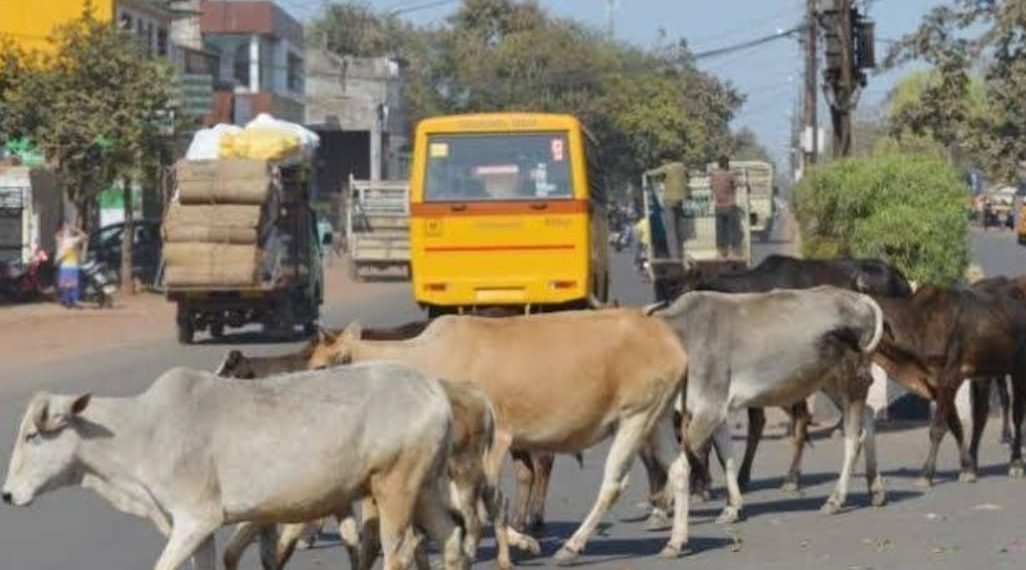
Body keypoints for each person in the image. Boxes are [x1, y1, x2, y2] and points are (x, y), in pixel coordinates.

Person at [645, 154, 688, 260]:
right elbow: (687, 175)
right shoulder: (682, 167)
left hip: (669, 200)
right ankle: (681, 252)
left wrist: (646, 172)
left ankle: (674, 256)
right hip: (680, 200)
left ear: (666, 160)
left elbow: (651, 173)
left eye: (662, 161)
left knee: (670, 230)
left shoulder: (667, 167)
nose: (662, 163)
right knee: (678, 228)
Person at [710, 155, 740, 259]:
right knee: (731, 230)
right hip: (730, 205)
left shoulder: (714, 175)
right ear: (727, 164)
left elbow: (711, 186)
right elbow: (736, 184)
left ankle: (720, 253)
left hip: (718, 206)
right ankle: (731, 252)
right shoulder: (730, 175)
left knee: (720, 231)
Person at [55, 221, 86, 308]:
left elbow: (84, 236)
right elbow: (57, 235)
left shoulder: (73, 240)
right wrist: (65, 229)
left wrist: (76, 229)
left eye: (68, 230)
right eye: (65, 229)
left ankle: (71, 301)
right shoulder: (61, 240)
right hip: (65, 265)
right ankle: (67, 300)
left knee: (72, 284)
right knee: (66, 284)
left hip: (73, 264)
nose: (67, 231)